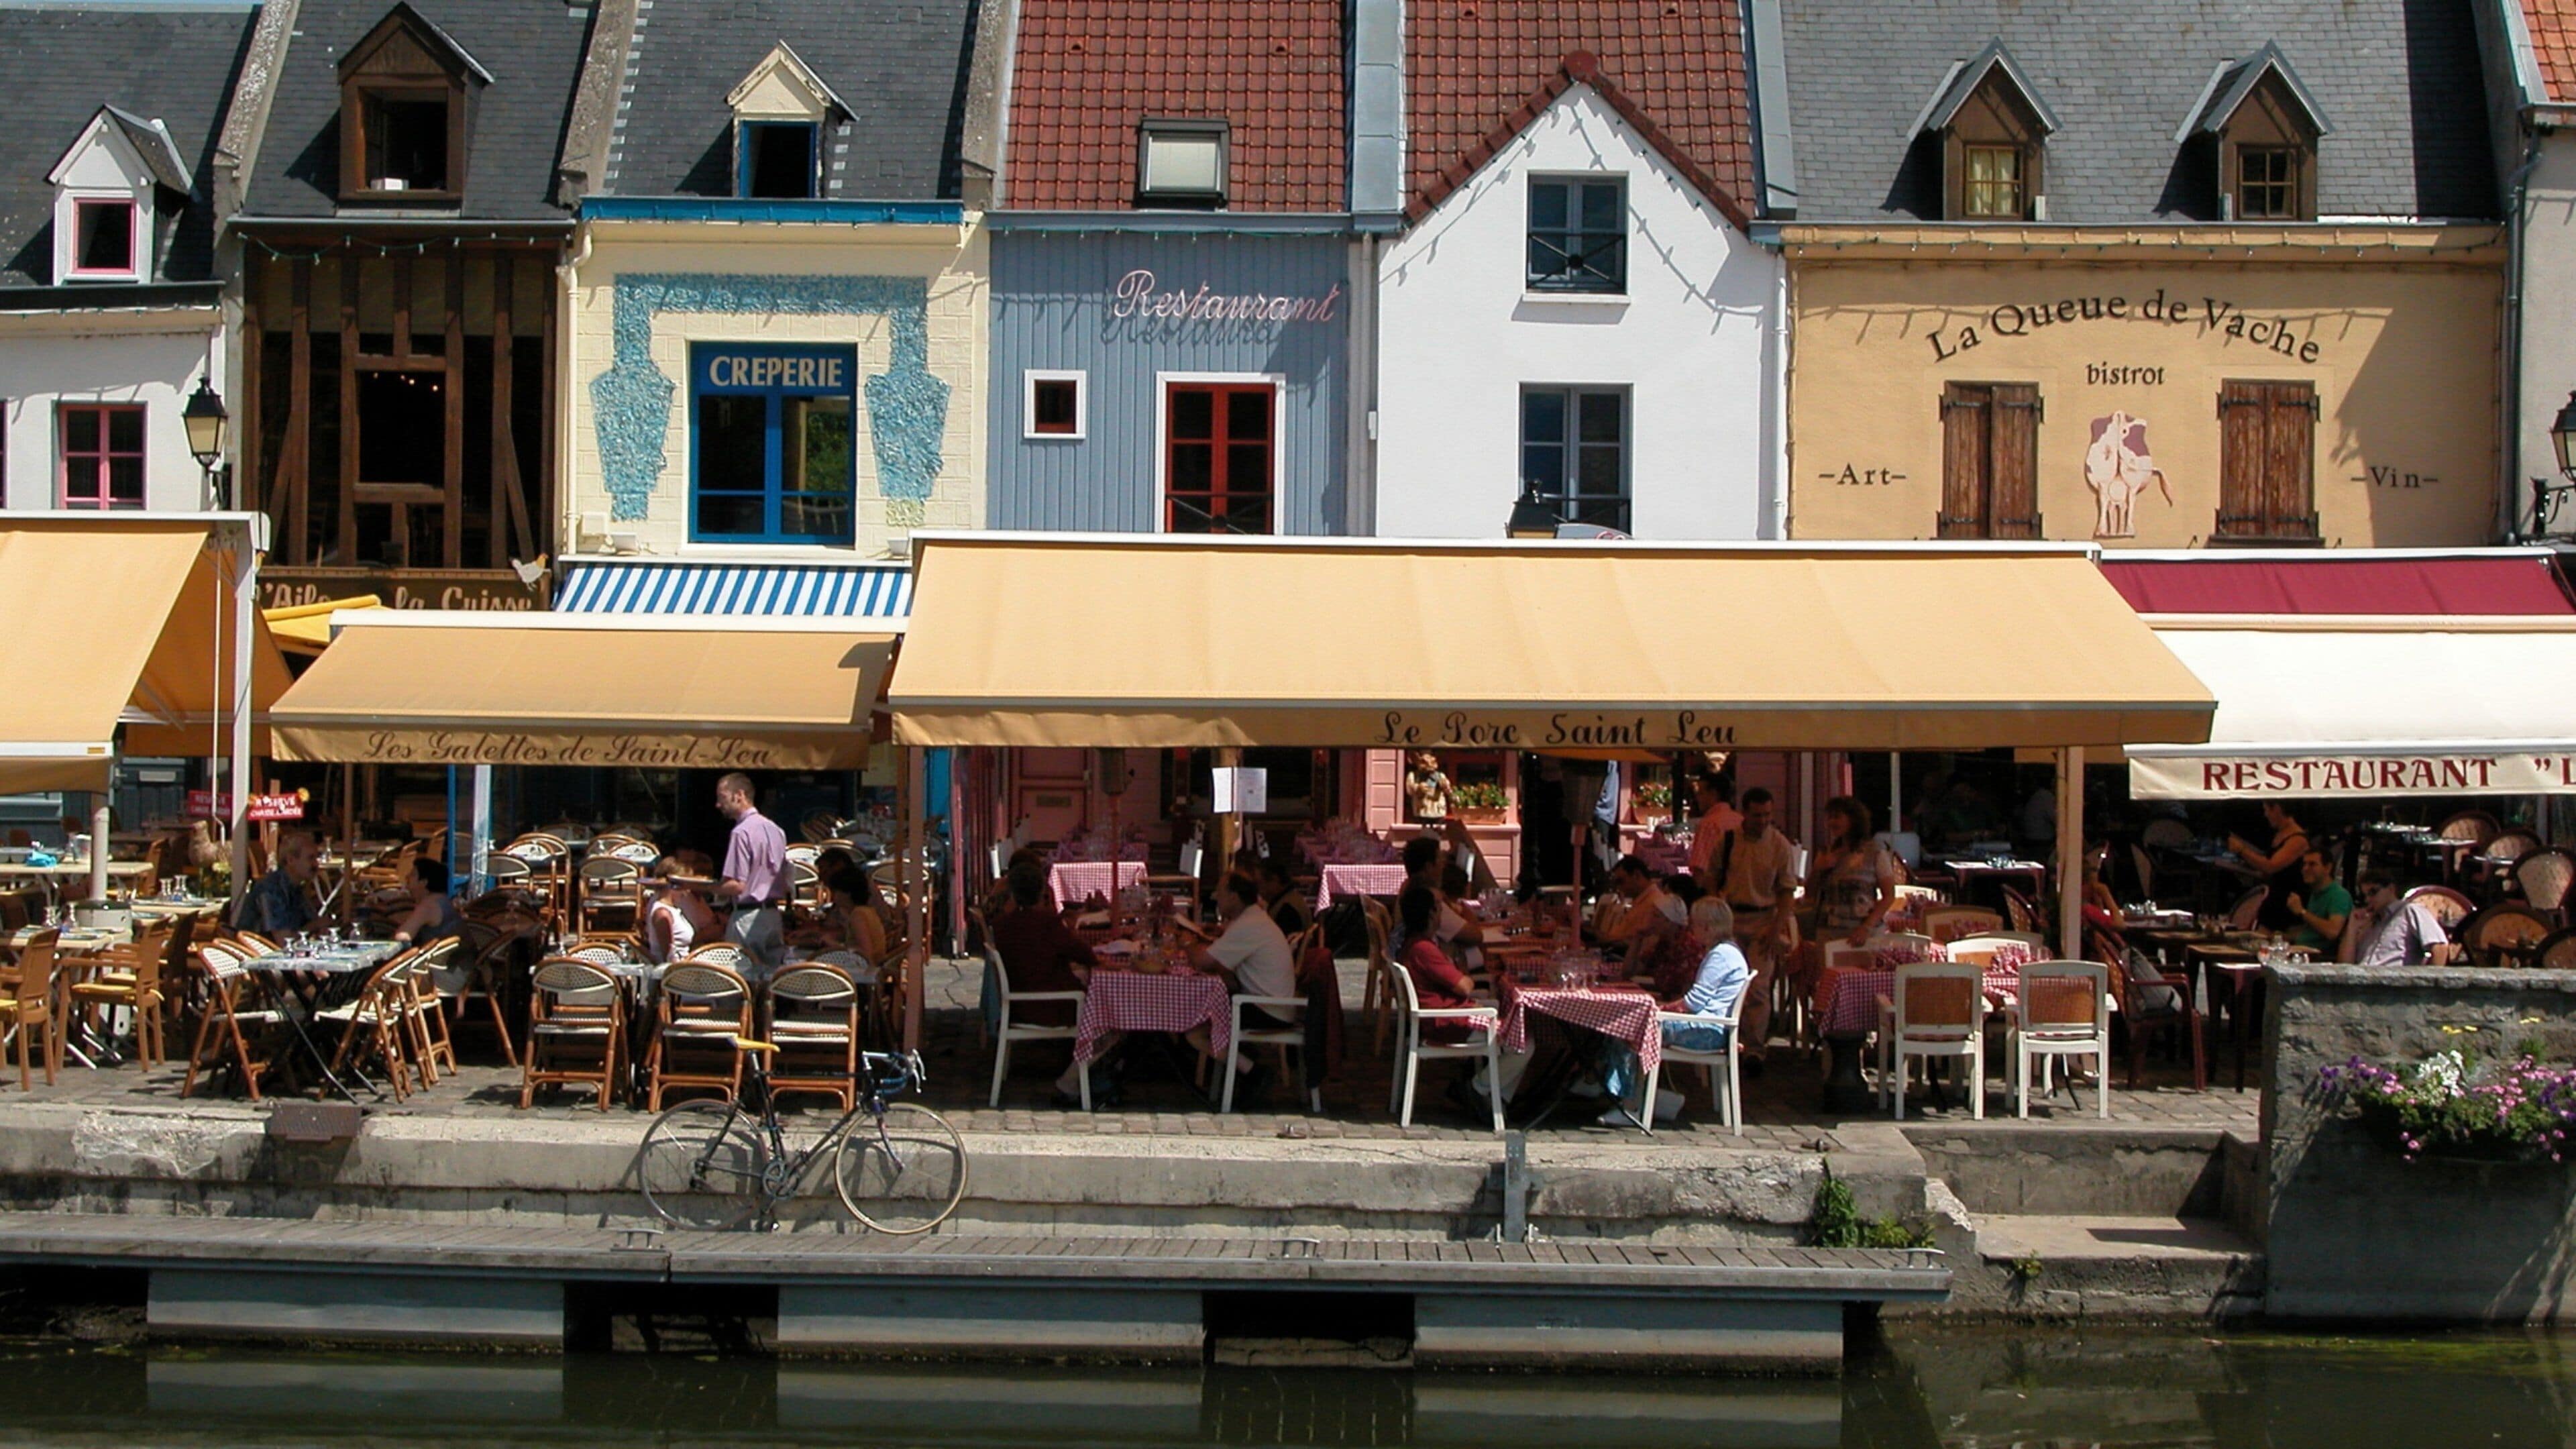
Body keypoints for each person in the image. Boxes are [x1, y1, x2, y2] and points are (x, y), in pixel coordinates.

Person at [1601, 898, 1751, 1126]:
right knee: (1632, 1027)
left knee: (1626, 1029)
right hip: (1710, 1027)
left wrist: (1661, 1010)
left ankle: (1627, 1105)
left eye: (1695, 925)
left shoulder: (1721, 955)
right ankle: (1632, 1098)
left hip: (1706, 1031)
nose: (1691, 929)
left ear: (1707, 927)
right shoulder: (1725, 951)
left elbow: (1693, 1003)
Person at [989, 862, 1102, 1107]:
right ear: (1042, 892)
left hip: (1018, 1004)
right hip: (1053, 1007)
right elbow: (1084, 954)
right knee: (1110, 1019)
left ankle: (1087, 1073)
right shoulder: (1047, 923)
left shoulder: (1002, 925)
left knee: (1084, 980)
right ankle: (1076, 1080)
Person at [1705, 788, 1801, 1068]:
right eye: (1757, 815)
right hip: (1731, 919)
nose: (1763, 821)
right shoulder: (1729, 841)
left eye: (1767, 815)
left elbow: (1787, 891)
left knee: (1758, 988)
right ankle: (1726, 1041)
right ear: (1745, 813)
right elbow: (1711, 878)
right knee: (1727, 985)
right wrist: (1716, 908)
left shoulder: (1779, 845)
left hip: (1763, 919)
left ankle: (1755, 1050)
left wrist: (1776, 928)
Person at [1187, 872, 1300, 1095]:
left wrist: (1187, 942)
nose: (1215, 897)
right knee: (1198, 1008)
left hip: (1268, 1009)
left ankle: (1252, 1071)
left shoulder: (1249, 924)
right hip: (1269, 1003)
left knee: (1192, 1025)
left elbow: (1203, 961)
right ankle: (1238, 1065)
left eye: (1220, 892)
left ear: (1234, 897)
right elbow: (1223, 964)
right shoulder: (1251, 918)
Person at [714, 772, 788, 973]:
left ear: (739, 795)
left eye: (722, 797)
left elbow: (737, 885)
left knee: (739, 980)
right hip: (773, 916)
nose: (718, 805)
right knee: (771, 982)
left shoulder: (741, 832)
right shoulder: (776, 830)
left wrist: (697, 885)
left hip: (747, 917)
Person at [2226, 802, 2310, 932]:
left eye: (2267, 810)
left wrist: (2242, 850)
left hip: (2287, 904)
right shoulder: (2279, 835)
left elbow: (2271, 866)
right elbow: (2269, 872)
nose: (2265, 815)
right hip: (2273, 900)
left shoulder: (2297, 840)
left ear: (2277, 809)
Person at [2353, 873, 2459, 967]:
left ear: (2391, 889)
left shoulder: (2411, 911)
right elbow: (2347, 962)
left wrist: (2429, 986)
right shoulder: (2370, 922)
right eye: (2364, 896)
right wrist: (2351, 927)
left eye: (2373, 892)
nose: (2367, 900)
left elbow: (2440, 948)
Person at [235, 830, 320, 936]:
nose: (316, 864)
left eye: (316, 858)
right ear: (291, 860)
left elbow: (313, 922)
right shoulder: (271, 889)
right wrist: (315, 926)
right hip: (260, 951)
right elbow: (284, 942)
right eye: (311, 858)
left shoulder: (297, 888)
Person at [1594, 855, 1676, 951]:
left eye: (1620, 881)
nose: (1618, 887)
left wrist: (1602, 938)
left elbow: (1633, 943)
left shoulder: (1655, 904)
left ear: (1636, 876)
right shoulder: (1641, 901)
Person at [643, 867, 720, 965]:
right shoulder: (663, 913)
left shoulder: (675, 910)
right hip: (676, 972)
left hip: (685, 965)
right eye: (685, 887)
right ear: (674, 887)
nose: (687, 892)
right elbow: (669, 956)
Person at [2283, 850, 2353, 956]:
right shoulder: (2315, 893)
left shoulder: (2339, 895)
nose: (2305, 869)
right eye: (2304, 864)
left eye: (2312, 864)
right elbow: (2312, 931)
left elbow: (2332, 931)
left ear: (2328, 868)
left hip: (2318, 957)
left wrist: (2302, 912)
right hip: (2298, 950)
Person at [1686, 774, 1745, 890]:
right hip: (1741, 890)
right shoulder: (1741, 820)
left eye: (1701, 793)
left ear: (1713, 794)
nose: (1697, 798)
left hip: (1716, 892)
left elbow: (1700, 868)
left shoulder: (1708, 824)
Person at [390, 855, 461, 948]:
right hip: (457, 957)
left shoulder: (428, 906)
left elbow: (401, 938)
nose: (407, 877)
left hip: (437, 961)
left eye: (413, 874)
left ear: (424, 882)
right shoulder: (442, 899)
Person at [1256, 857, 1311, 938]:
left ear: (1274, 881)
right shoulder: (1293, 897)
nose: (1258, 890)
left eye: (1259, 883)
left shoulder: (1286, 910)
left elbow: (1275, 942)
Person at [1404, 751, 1454, 822]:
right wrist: (1418, 788)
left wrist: (1445, 786)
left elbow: (1449, 791)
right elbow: (1409, 791)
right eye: (1424, 763)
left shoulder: (1440, 776)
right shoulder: (1413, 775)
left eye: (1432, 762)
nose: (1429, 766)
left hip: (1438, 811)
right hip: (1421, 811)